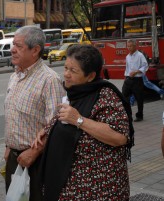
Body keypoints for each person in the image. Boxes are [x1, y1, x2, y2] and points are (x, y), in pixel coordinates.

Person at [33, 44, 134, 200]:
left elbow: (120, 137)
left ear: (90, 76)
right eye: (66, 68)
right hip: (70, 185)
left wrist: (78, 120)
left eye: (73, 71)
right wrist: (48, 130)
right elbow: (65, 115)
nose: (66, 74)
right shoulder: (75, 92)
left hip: (98, 188)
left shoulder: (105, 95)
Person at [4, 25, 65, 201]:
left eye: (18, 46)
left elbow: (56, 124)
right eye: (12, 44)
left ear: (35, 50)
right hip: (14, 159)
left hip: (36, 160)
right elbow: (14, 115)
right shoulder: (14, 76)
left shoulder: (49, 80)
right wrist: (9, 146)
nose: (12, 49)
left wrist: (34, 152)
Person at [122, 39, 148, 122]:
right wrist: (125, 78)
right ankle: (127, 114)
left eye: (130, 46)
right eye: (128, 46)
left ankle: (139, 115)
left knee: (139, 98)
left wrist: (136, 72)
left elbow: (145, 66)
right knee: (124, 97)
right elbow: (127, 68)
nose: (129, 48)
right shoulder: (127, 56)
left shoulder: (140, 55)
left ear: (135, 46)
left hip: (137, 80)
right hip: (128, 79)